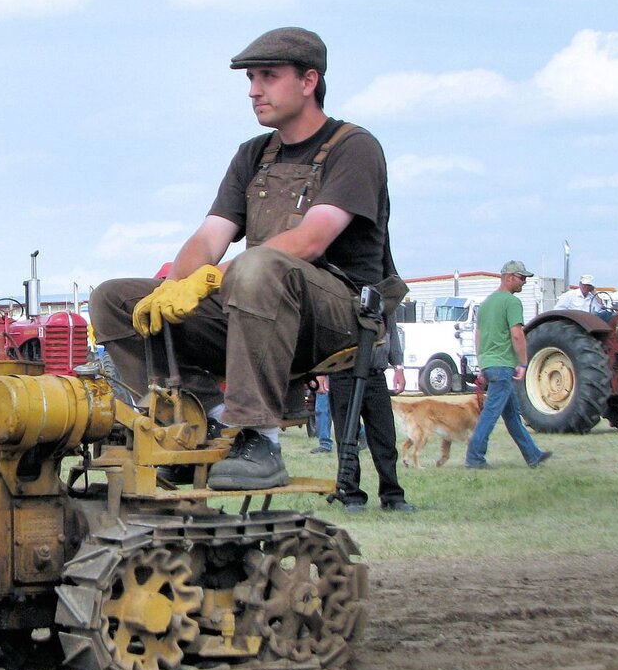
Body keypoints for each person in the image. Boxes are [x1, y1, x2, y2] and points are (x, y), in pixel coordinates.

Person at [89, 26, 402, 491]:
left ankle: (260, 438)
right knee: (114, 299)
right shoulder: (253, 155)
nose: (254, 91)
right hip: (256, 307)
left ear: (309, 80)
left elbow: (312, 239)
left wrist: (215, 277)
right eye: (251, 79)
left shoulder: (354, 148)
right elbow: (209, 237)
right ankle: (202, 425)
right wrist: (175, 287)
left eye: (268, 77)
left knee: (259, 265)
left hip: (335, 315)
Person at [464, 261, 553, 470]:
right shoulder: (511, 302)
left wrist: (482, 364)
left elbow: (478, 336)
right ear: (509, 277)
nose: (524, 282)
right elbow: (516, 334)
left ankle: (533, 455)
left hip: (489, 364)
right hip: (504, 366)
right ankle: (474, 458)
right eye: (522, 278)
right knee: (490, 414)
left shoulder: (486, 304)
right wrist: (523, 363)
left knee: (512, 415)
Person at [329, 317, 415, 512]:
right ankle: (351, 495)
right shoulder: (339, 290)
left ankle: (392, 495)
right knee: (347, 438)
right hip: (343, 373)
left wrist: (398, 366)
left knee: (385, 438)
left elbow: (390, 327)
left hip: (376, 374)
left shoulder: (381, 291)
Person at [311, 375, 333, 454]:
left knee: (322, 409)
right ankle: (362, 433)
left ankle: (325, 444)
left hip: (326, 374)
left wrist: (320, 377)